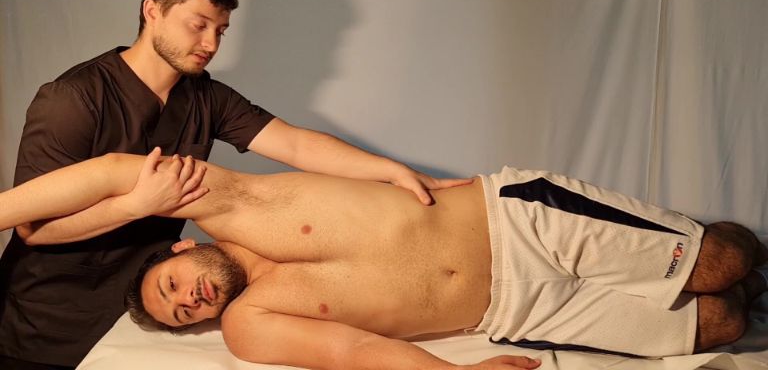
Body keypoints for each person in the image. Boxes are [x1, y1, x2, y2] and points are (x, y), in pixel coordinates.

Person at [0, 0, 470, 370]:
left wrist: (390, 170)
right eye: (198, 24)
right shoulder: (72, 99)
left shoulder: (207, 97)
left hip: (145, 305)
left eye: (220, 31)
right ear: (152, 11)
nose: (211, 43)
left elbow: (297, 145)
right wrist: (135, 205)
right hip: (46, 316)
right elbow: (31, 229)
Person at [1, 152, 766, 370]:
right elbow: (354, 351)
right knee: (723, 326)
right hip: (516, 310)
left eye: (173, 284)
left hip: (519, 224)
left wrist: (14, 216)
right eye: (179, 315)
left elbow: (111, 173)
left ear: (182, 247)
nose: (189, 300)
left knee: (724, 261)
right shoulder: (249, 326)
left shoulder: (231, 203)